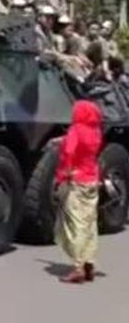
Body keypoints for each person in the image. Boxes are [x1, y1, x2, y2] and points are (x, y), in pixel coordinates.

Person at [54, 100, 102, 284]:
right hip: (92, 179)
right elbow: (85, 148)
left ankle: (78, 267)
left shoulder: (76, 130)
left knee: (75, 223)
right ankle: (89, 262)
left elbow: (69, 152)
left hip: (77, 180)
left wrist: (63, 175)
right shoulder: (95, 131)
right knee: (90, 222)